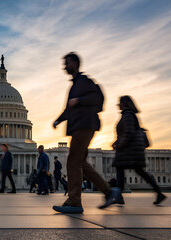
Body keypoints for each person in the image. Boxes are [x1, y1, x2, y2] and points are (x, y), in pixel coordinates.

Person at [52, 52, 113, 213]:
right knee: (82, 163)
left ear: (76, 63)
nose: (64, 66)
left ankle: (75, 202)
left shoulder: (85, 81)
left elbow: (97, 99)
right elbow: (68, 109)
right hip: (79, 126)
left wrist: (79, 100)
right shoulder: (74, 85)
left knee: (73, 161)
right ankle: (109, 192)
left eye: (67, 63)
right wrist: (58, 120)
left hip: (84, 125)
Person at [101, 96, 167, 208]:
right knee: (135, 172)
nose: (118, 105)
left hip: (128, 151)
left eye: (120, 103)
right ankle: (158, 193)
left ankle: (117, 197)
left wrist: (119, 144)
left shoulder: (128, 115)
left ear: (125, 104)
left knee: (122, 171)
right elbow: (128, 132)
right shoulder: (129, 115)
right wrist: (117, 142)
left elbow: (128, 133)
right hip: (131, 150)